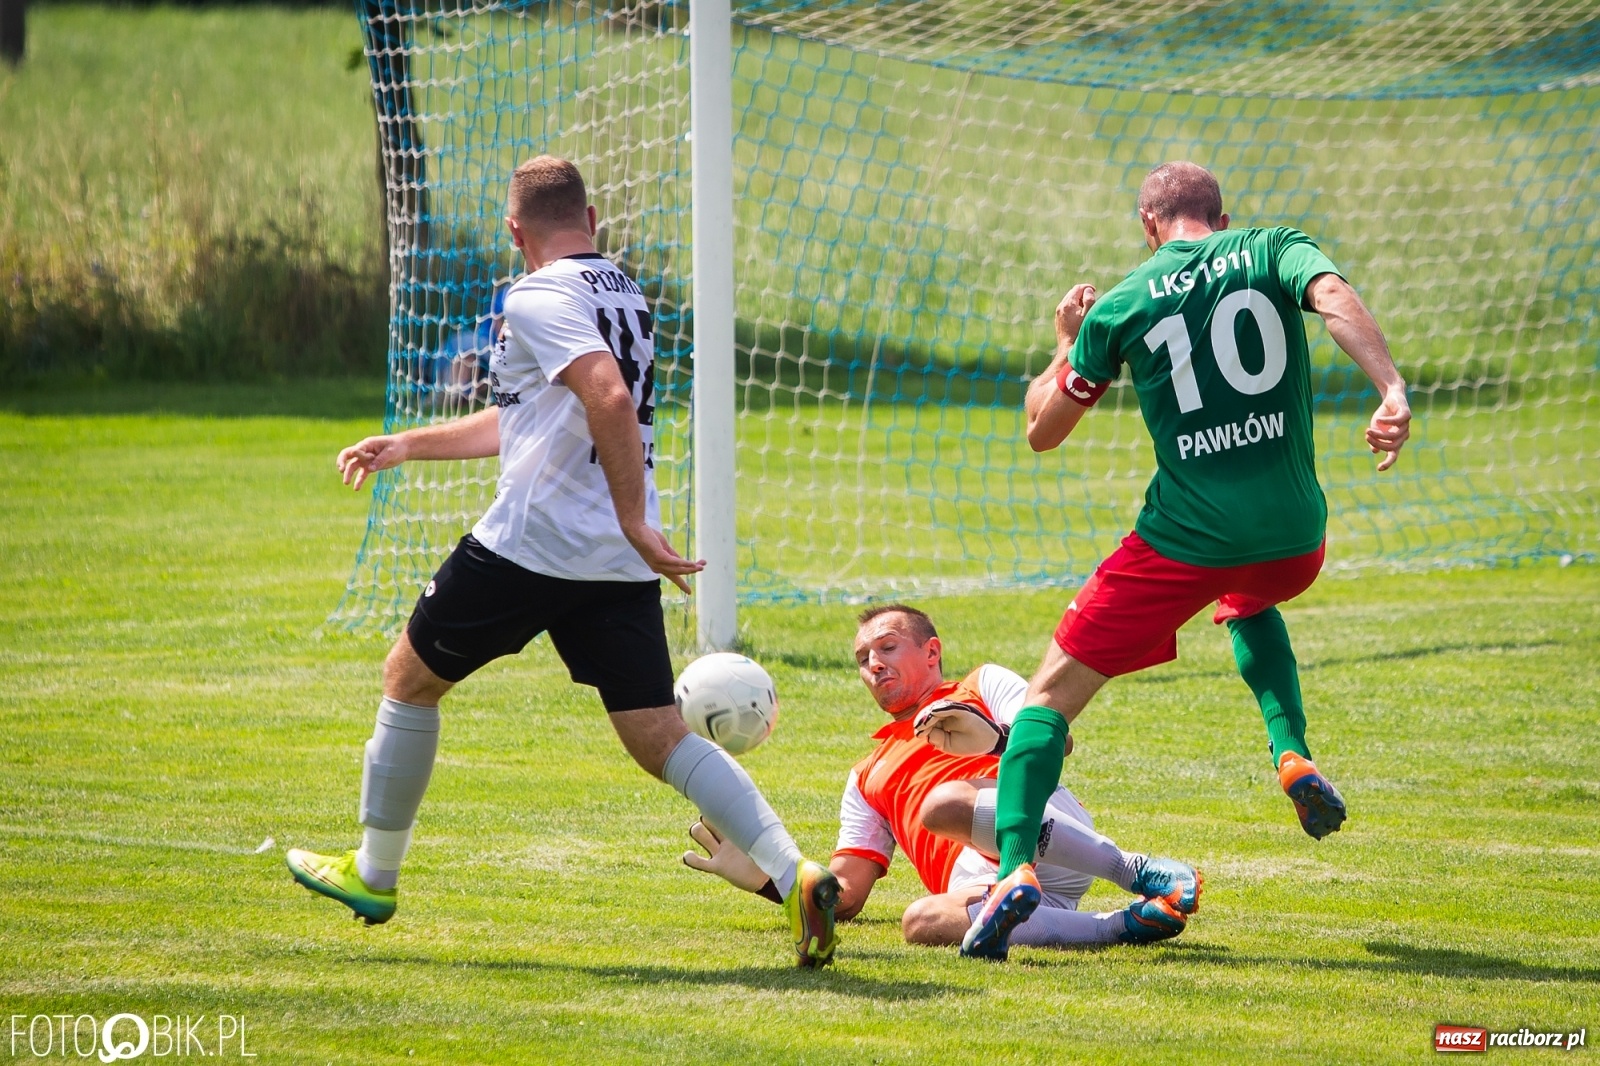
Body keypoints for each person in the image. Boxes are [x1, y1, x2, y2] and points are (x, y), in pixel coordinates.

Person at [285, 156, 840, 969]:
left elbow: (607, 398)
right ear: (591, 219)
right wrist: (407, 445)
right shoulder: (622, 290)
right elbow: (530, 420)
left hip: (533, 542)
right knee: (655, 732)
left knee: (408, 677)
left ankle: (374, 873)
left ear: (516, 232)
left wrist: (629, 516)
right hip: (610, 558)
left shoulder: (536, 294)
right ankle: (797, 876)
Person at [958, 161, 1412, 960]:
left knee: (1045, 702)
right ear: (1221, 214)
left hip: (1183, 541)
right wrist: (1391, 389)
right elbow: (1336, 299)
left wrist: (1065, 342)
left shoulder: (1128, 301)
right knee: (1247, 600)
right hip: (1295, 537)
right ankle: (1291, 752)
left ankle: (1017, 868)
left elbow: (1043, 430)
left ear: (1148, 225)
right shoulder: (1275, 248)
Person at [683, 605, 1202, 958]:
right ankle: (1122, 925)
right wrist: (769, 877)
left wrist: (997, 742)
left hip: (1051, 836)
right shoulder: (866, 777)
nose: (872, 664)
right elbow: (845, 897)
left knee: (943, 803)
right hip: (989, 887)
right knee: (921, 922)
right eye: (863, 659)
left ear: (931, 652)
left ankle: (1136, 869)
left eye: (886, 647)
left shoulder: (984, 683)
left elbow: (1055, 743)